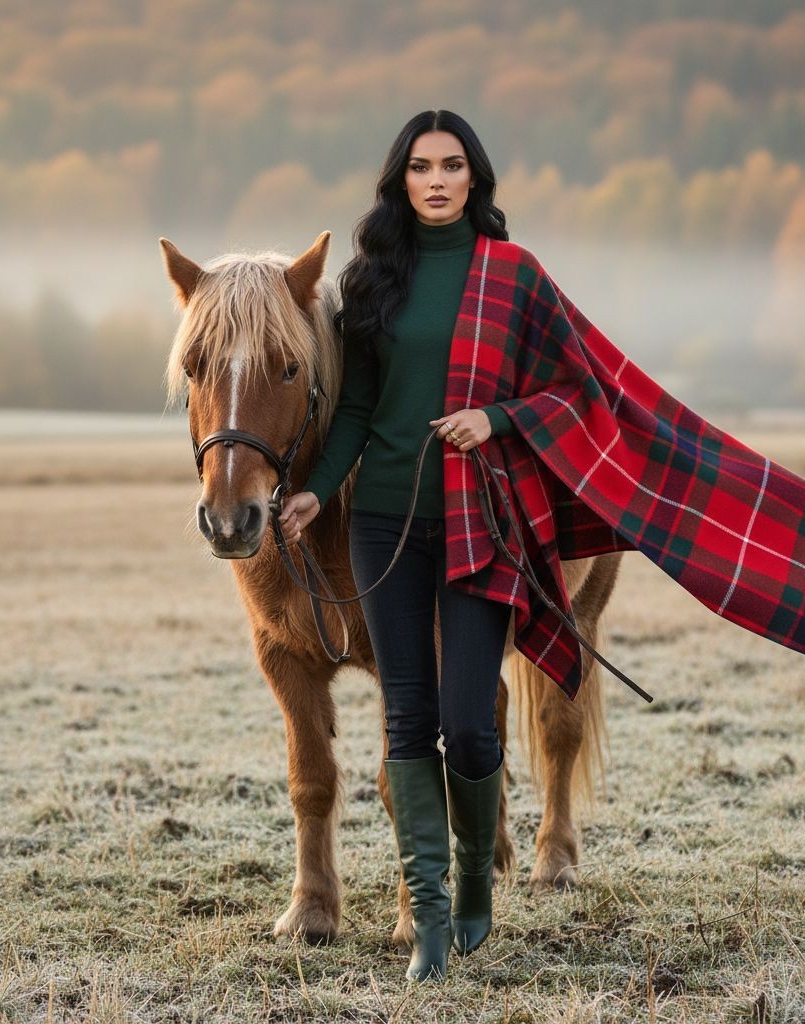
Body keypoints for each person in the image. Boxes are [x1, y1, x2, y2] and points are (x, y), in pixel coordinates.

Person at [278, 110, 512, 982]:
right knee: (408, 720)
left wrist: (498, 417)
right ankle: (430, 919)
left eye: (454, 166)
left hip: (475, 517)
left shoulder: (510, 275)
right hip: (383, 518)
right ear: (400, 180)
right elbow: (353, 410)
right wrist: (312, 488)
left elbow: (569, 381)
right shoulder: (370, 281)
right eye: (422, 167)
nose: (439, 180)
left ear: (475, 179)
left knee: (468, 724)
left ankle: (478, 880)